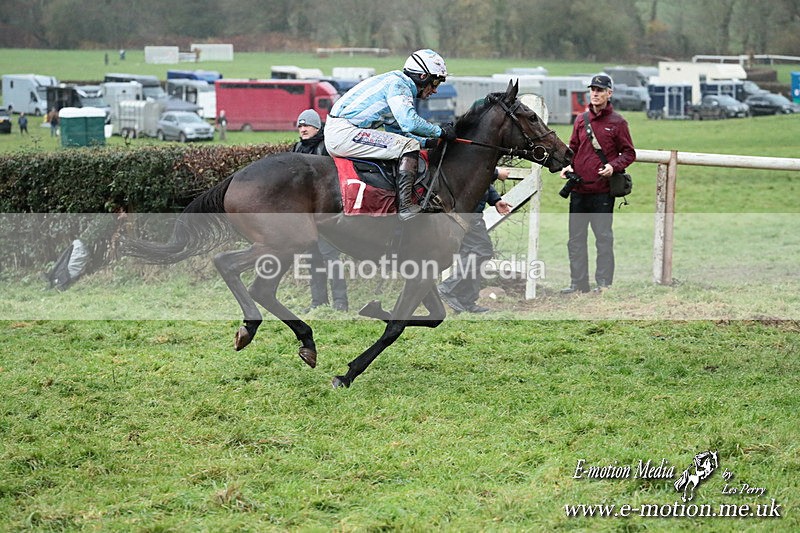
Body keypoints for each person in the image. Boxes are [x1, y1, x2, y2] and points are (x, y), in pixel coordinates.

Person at [324, 49, 457, 221]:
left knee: (408, 144)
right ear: (423, 76)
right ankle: (405, 206)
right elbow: (409, 122)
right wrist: (440, 131)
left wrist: (428, 142)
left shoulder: (395, 85)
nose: (435, 90)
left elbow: (398, 132)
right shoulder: (399, 85)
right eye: (436, 83)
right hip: (344, 133)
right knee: (409, 146)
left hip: (341, 131)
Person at [559, 74, 636, 294]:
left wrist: (613, 166)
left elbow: (629, 153)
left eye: (600, 90)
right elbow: (572, 148)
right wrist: (568, 166)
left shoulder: (618, 122)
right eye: (592, 89)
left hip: (603, 192)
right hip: (579, 191)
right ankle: (578, 284)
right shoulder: (580, 120)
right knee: (575, 240)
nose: (595, 93)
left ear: (609, 93)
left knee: (603, 240)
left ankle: (603, 285)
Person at [291, 109, 348, 311]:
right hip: (306, 217)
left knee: (330, 257)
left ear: (317, 128)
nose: (303, 129)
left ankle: (340, 302)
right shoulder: (297, 148)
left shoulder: (326, 148)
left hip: (325, 215)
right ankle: (318, 302)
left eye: (307, 125)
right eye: (300, 125)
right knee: (312, 259)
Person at [438, 168, 512, 313]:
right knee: (483, 251)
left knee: (471, 255)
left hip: (469, 211)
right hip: (466, 212)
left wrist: (495, 199)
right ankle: (447, 287)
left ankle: (466, 301)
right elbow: (469, 169)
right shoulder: (471, 150)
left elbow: (480, 180)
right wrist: (496, 173)